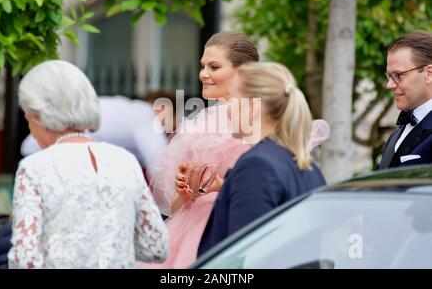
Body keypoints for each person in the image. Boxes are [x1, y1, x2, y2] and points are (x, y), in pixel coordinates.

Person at [141, 32, 330, 268]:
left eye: (214, 66)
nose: (203, 74)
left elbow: (249, 251)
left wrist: (222, 185)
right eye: (202, 66)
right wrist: (189, 191)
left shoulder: (260, 161)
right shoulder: (304, 164)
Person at [7, 60, 168, 268]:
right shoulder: (125, 161)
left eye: (28, 118)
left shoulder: (33, 168)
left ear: (38, 116)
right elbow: (156, 247)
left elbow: (24, 260)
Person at [196, 62, 327, 257]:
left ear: (252, 108)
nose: (225, 108)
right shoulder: (310, 168)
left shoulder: (257, 166)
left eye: (230, 99)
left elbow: (247, 257)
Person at [20, 95, 168, 178]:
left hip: (38, 151)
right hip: (42, 153)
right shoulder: (145, 116)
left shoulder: (129, 109)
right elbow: (160, 167)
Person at [379, 30, 432, 169]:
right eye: (389, 76)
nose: (389, 85)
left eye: (398, 75)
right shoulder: (396, 134)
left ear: (429, 74)